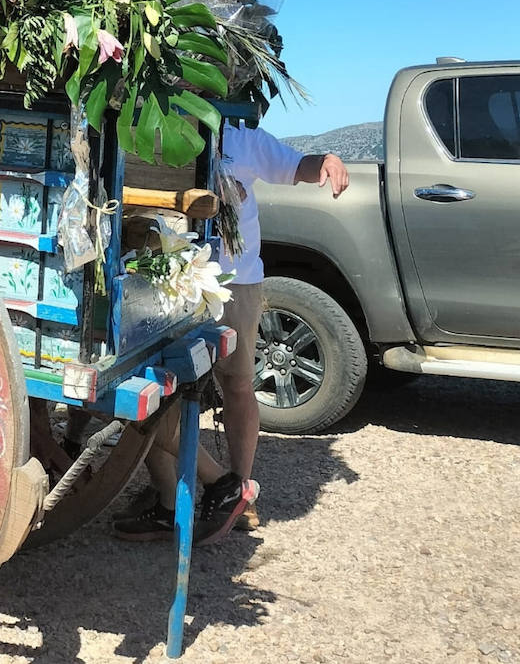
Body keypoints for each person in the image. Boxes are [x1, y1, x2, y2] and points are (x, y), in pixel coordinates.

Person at [113, 119, 349, 544]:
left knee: (238, 385)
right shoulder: (152, 126)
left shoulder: (244, 139)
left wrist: (327, 162)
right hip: (169, 277)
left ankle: (238, 492)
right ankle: (178, 499)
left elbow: (296, 166)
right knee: (158, 390)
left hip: (234, 281)